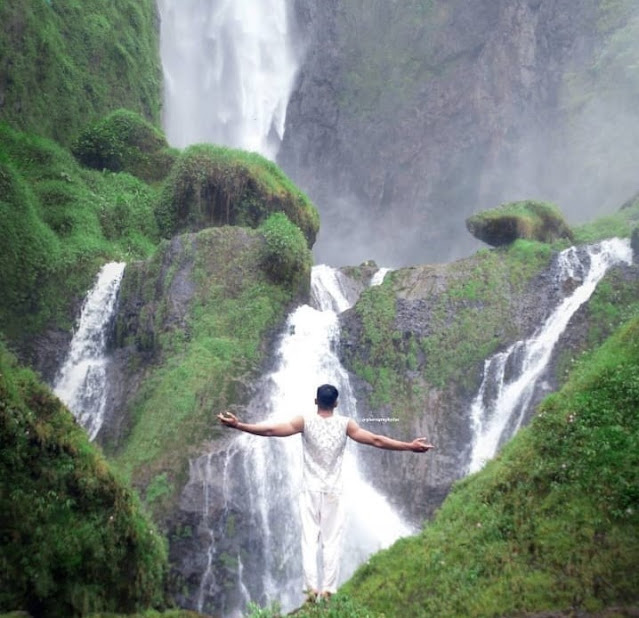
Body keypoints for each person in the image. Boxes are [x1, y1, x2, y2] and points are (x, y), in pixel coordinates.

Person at [217, 383, 434, 604]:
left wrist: (238, 425)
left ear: (315, 401)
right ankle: (329, 590)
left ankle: (311, 592)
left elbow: (271, 431)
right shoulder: (346, 424)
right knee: (331, 541)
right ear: (337, 403)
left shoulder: (304, 421)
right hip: (333, 492)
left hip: (309, 491)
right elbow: (376, 440)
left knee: (309, 541)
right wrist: (409, 446)